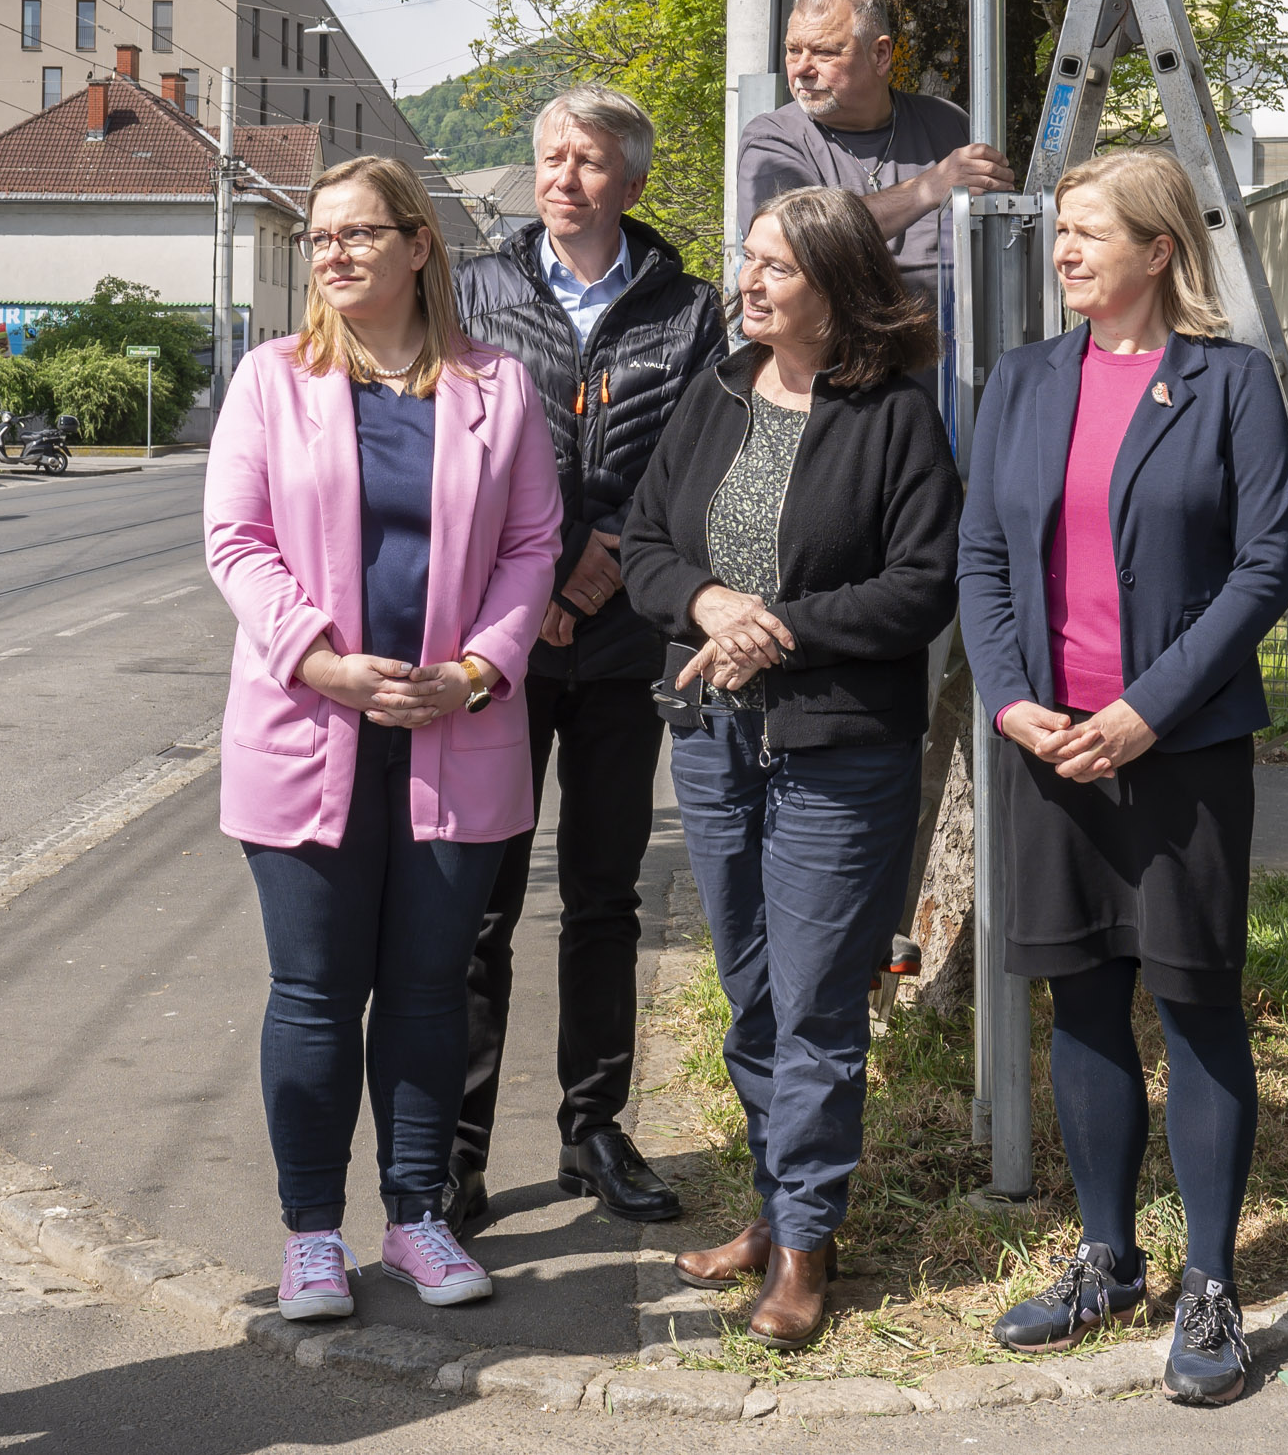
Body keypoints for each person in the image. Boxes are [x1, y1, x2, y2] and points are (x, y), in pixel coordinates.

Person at [954, 150, 1288, 1406]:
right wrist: (1011, 703)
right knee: (1083, 999)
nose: (1066, 250)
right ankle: (1109, 1257)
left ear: (1159, 250)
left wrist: (1148, 710)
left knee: (1196, 1000)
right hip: (1048, 746)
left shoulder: (1232, 383)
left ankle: (1210, 1281)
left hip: (1181, 750)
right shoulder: (1022, 380)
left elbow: (1265, 569)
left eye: (1091, 231)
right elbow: (982, 555)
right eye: (1061, 232)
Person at [202, 156, 564, 1325]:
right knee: (314, 991)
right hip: (310, 726)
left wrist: (473, 674)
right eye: (320, 238)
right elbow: (236, 541)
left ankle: (416, 1217)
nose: (336, 253)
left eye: (360, 233)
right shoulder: (272, 379)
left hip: (453, 730)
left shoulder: (497, 387)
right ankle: (312, 1232)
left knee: (425, 991)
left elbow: (533, 547)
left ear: (420, 245)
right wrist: (316, 657)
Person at [621, 186, 961, 1351]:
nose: (749, 283)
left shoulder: (896, 412)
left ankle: (810, 1241)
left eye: (776, 268)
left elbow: (925, 581)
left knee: (817, 1002)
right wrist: (712, 601)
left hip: (836, 748)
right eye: (747, 262)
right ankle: (775, 1209)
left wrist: (786, 624)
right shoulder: (717, 389)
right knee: (753, 989)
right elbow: (649, 544)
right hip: (714, 738)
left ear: (837, 287)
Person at [447, 86, 725, 1232]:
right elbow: (447, 438)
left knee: (606, 896)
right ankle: (455, 1149)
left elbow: (704, 451)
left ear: (634, 179)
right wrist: (536, 580)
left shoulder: (692, 307)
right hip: (498, 644)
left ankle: (592, 1126)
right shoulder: (472, 290)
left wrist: (604, 560)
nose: (565, 176)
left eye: (591, 159)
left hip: (624, 638)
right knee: (480, 904)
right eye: (551, 155)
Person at [733, 0, 1017, 297]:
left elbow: (1003, 236)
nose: (801, 68)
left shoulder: (948, 123)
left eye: (824, 52)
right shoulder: (772, 140)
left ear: (880, 55)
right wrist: (926, 188)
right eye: (793, 50)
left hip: (960, 338)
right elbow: (789, 244)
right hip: (838, 347)